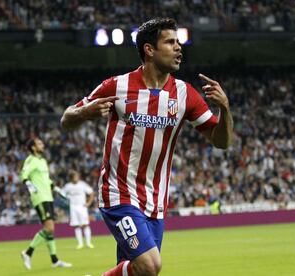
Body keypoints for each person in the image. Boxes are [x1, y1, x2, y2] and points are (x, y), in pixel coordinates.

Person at [61, 18, 233, 276]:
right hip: (118, 194)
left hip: (155, 201)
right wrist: (86, 111)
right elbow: (66, 119)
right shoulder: (117, 86)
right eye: (170, 42)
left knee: (139, 272)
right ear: (149, 50)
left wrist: (225, 109)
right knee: (150, 266)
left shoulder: (185, 94)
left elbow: (222, 142)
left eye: (178, 42)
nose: (178, 48)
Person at [20, 138, 72, 269]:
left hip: (48, 196)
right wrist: (28, 184)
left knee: (50, 230)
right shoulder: (30, 160)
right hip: (39, 197)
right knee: (49, 228)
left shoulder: (42, 161)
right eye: (39, 144)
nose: (42, 145)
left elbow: (47, 179)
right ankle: (28, 252)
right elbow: (23, 174)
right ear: (33, 147)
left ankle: (54, 260)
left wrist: (56, 188)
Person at [62, 170, 95, 249]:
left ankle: (88, 243)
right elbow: (62, 194)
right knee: (77, 225)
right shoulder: (68, 186)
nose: (77, 178)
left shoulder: (82, 185)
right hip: (73, 207)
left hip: (82, 207)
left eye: (77, 176)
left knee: (85, 224)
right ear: (71, 178)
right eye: (75, 176)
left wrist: (89, 203)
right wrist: (66, 200)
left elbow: (91, 193)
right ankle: (80, 244)